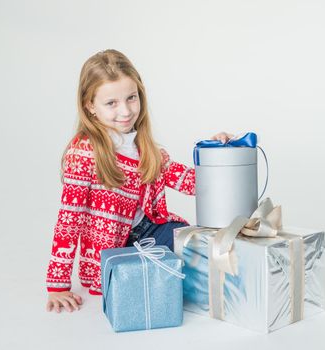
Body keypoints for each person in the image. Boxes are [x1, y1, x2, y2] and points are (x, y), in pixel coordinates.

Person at [46, 49, 233, 313]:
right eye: (111, 103)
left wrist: (217, 154)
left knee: (195, 250)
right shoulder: (85, 152)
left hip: (147, 232)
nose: (125, 111)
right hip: (111, 248)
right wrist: (58, 285)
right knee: (155, 279)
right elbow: (69, 220)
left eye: (131, 98)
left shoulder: (145, 149)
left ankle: (224, 292)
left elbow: (192, 183)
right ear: (90, 106)